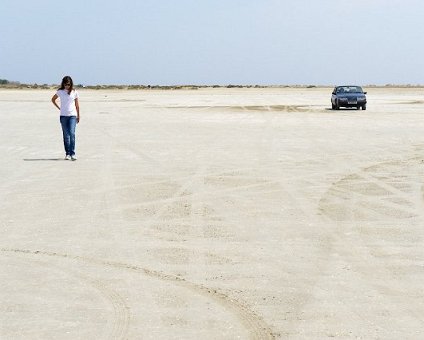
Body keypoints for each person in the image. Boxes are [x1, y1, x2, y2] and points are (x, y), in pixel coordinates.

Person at [51, 76, 80, 160]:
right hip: (63, 116)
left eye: (68, 84)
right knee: (66, 135)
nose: (67, 86)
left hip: (72, 116)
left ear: (71, 84)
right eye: (65, 84)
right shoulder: (60, 92)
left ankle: (73, 153)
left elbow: (77, 105)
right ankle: (67, 153)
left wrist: (78, 115)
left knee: (72, 133)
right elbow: (53, 99)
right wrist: (59, 107)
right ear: (63, 84)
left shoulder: (74, 92)